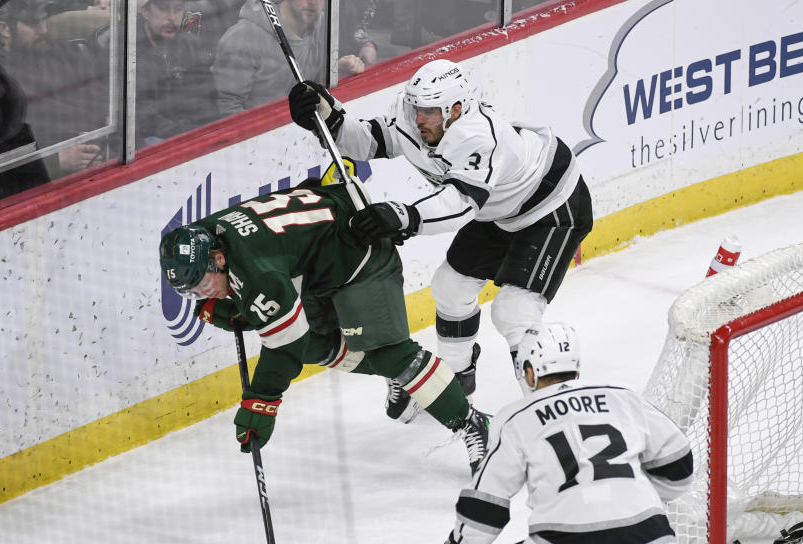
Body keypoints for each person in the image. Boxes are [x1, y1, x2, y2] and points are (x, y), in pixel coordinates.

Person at [288, 59, 593, 425]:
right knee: (450, 288)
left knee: (513, 310)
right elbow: (370, 140)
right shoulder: (414, 117)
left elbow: (460, 204)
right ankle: (453, 381)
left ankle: (549, 410)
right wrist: (327, 116)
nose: (420, 120)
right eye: (417, 108)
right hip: (497, 208)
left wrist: (403, 215)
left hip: (551, 205)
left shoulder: (480, 138)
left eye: (430, 113)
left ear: (457, 110)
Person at [159, 177, 491, 474]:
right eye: (190, 292)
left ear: (217, 259)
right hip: (318, 252)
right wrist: (243, 305)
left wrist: (260, 403)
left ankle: (473, 423)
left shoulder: (258, 273)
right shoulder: (204, 235)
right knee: (315, 344)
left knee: (388, 353)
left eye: (202, 286)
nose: (202, 296)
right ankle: (406, 379)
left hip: (359, 249)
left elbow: (283, 349)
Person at [423, 322, 724, 544]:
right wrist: (628, 496)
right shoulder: (621, 397)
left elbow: (486, 506)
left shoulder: (516, 418)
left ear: (528, 371)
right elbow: (679, 467)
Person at [0, 0, 108, 178]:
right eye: (33, 23)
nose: (44, 30)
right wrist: (55, 160)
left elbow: (103, 101)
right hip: (50, 182)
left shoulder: (65, 51)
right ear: (4, 29)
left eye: (44, 20)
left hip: (106, 154)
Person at [211, 0, 361, 116]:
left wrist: (338, 69)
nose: (312, 2)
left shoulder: (323, 27)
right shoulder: (243, 38)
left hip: (301, 130)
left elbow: (312, 82)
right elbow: (225, 108)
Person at [135, 0, 218, 147]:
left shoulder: (190, 45)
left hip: (191, 133)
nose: (172, 17)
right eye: (163, 8)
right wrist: (183, 131)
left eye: (178, 9)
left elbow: (208, 96)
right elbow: (138, 114)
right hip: (152, 140)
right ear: (145, 12)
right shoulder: (125, 51)